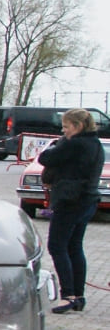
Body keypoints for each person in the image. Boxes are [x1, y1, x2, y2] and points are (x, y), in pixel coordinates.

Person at [37, 108, 104, 313]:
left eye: (66, 127)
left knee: (57, 246)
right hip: (87, 200)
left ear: (78, 126)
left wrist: (62, 142)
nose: (63, 131)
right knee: (75, 246)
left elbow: (45, 158)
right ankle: (79, 295)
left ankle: (68, 295)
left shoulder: (74, 144)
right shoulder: (96, 144)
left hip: (70, 200)